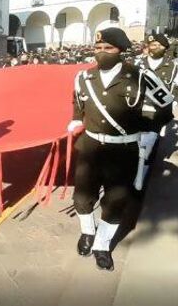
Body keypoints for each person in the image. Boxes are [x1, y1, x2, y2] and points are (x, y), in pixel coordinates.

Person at [68, 28, 173, 271]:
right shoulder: (83, 77)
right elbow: (77, 101)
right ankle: (87, 233)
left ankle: (102, 245)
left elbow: (165, 105)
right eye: (98, 48)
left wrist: (150, 128)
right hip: (90, 147)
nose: (101, 53)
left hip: (123, 150)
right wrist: (76, 119)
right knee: (82, 197)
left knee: (115, 201)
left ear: (120, 50)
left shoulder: (139, 76)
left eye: (108, 48)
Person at [133, 34, 176, 176]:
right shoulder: (137, 63)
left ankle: (143, 176)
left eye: (159, 45)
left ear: (165, 47)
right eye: (153, 44)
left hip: (159, 112)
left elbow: (176, 89)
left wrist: (173, 103)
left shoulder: (174, 66)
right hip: (138, 110)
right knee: (137, 145)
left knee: (149, 148)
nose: (155, 47)